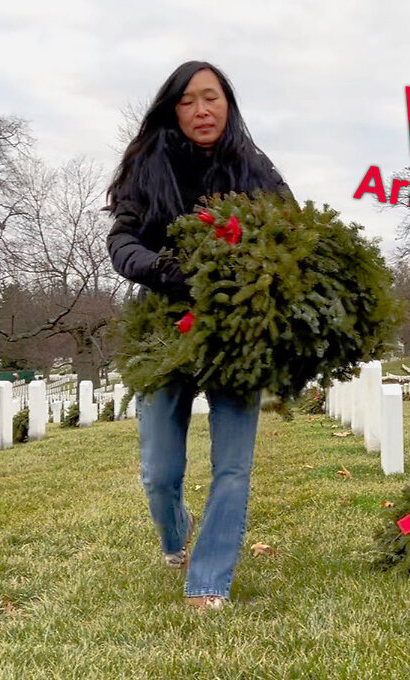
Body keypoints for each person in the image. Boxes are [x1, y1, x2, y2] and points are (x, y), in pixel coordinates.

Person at [106, 61, 290, 612]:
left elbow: (292, 227)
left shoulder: (253, 167)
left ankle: (208, 581)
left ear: (228, 105)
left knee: (233, 464)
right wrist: (167, 271)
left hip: (237, 329)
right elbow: (123, 239)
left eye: (211, 98)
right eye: (188, 100)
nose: (201, 110)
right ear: (173, 108)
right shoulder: (148, 165)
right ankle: (175, 530)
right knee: (159, 471)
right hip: (164, 326)